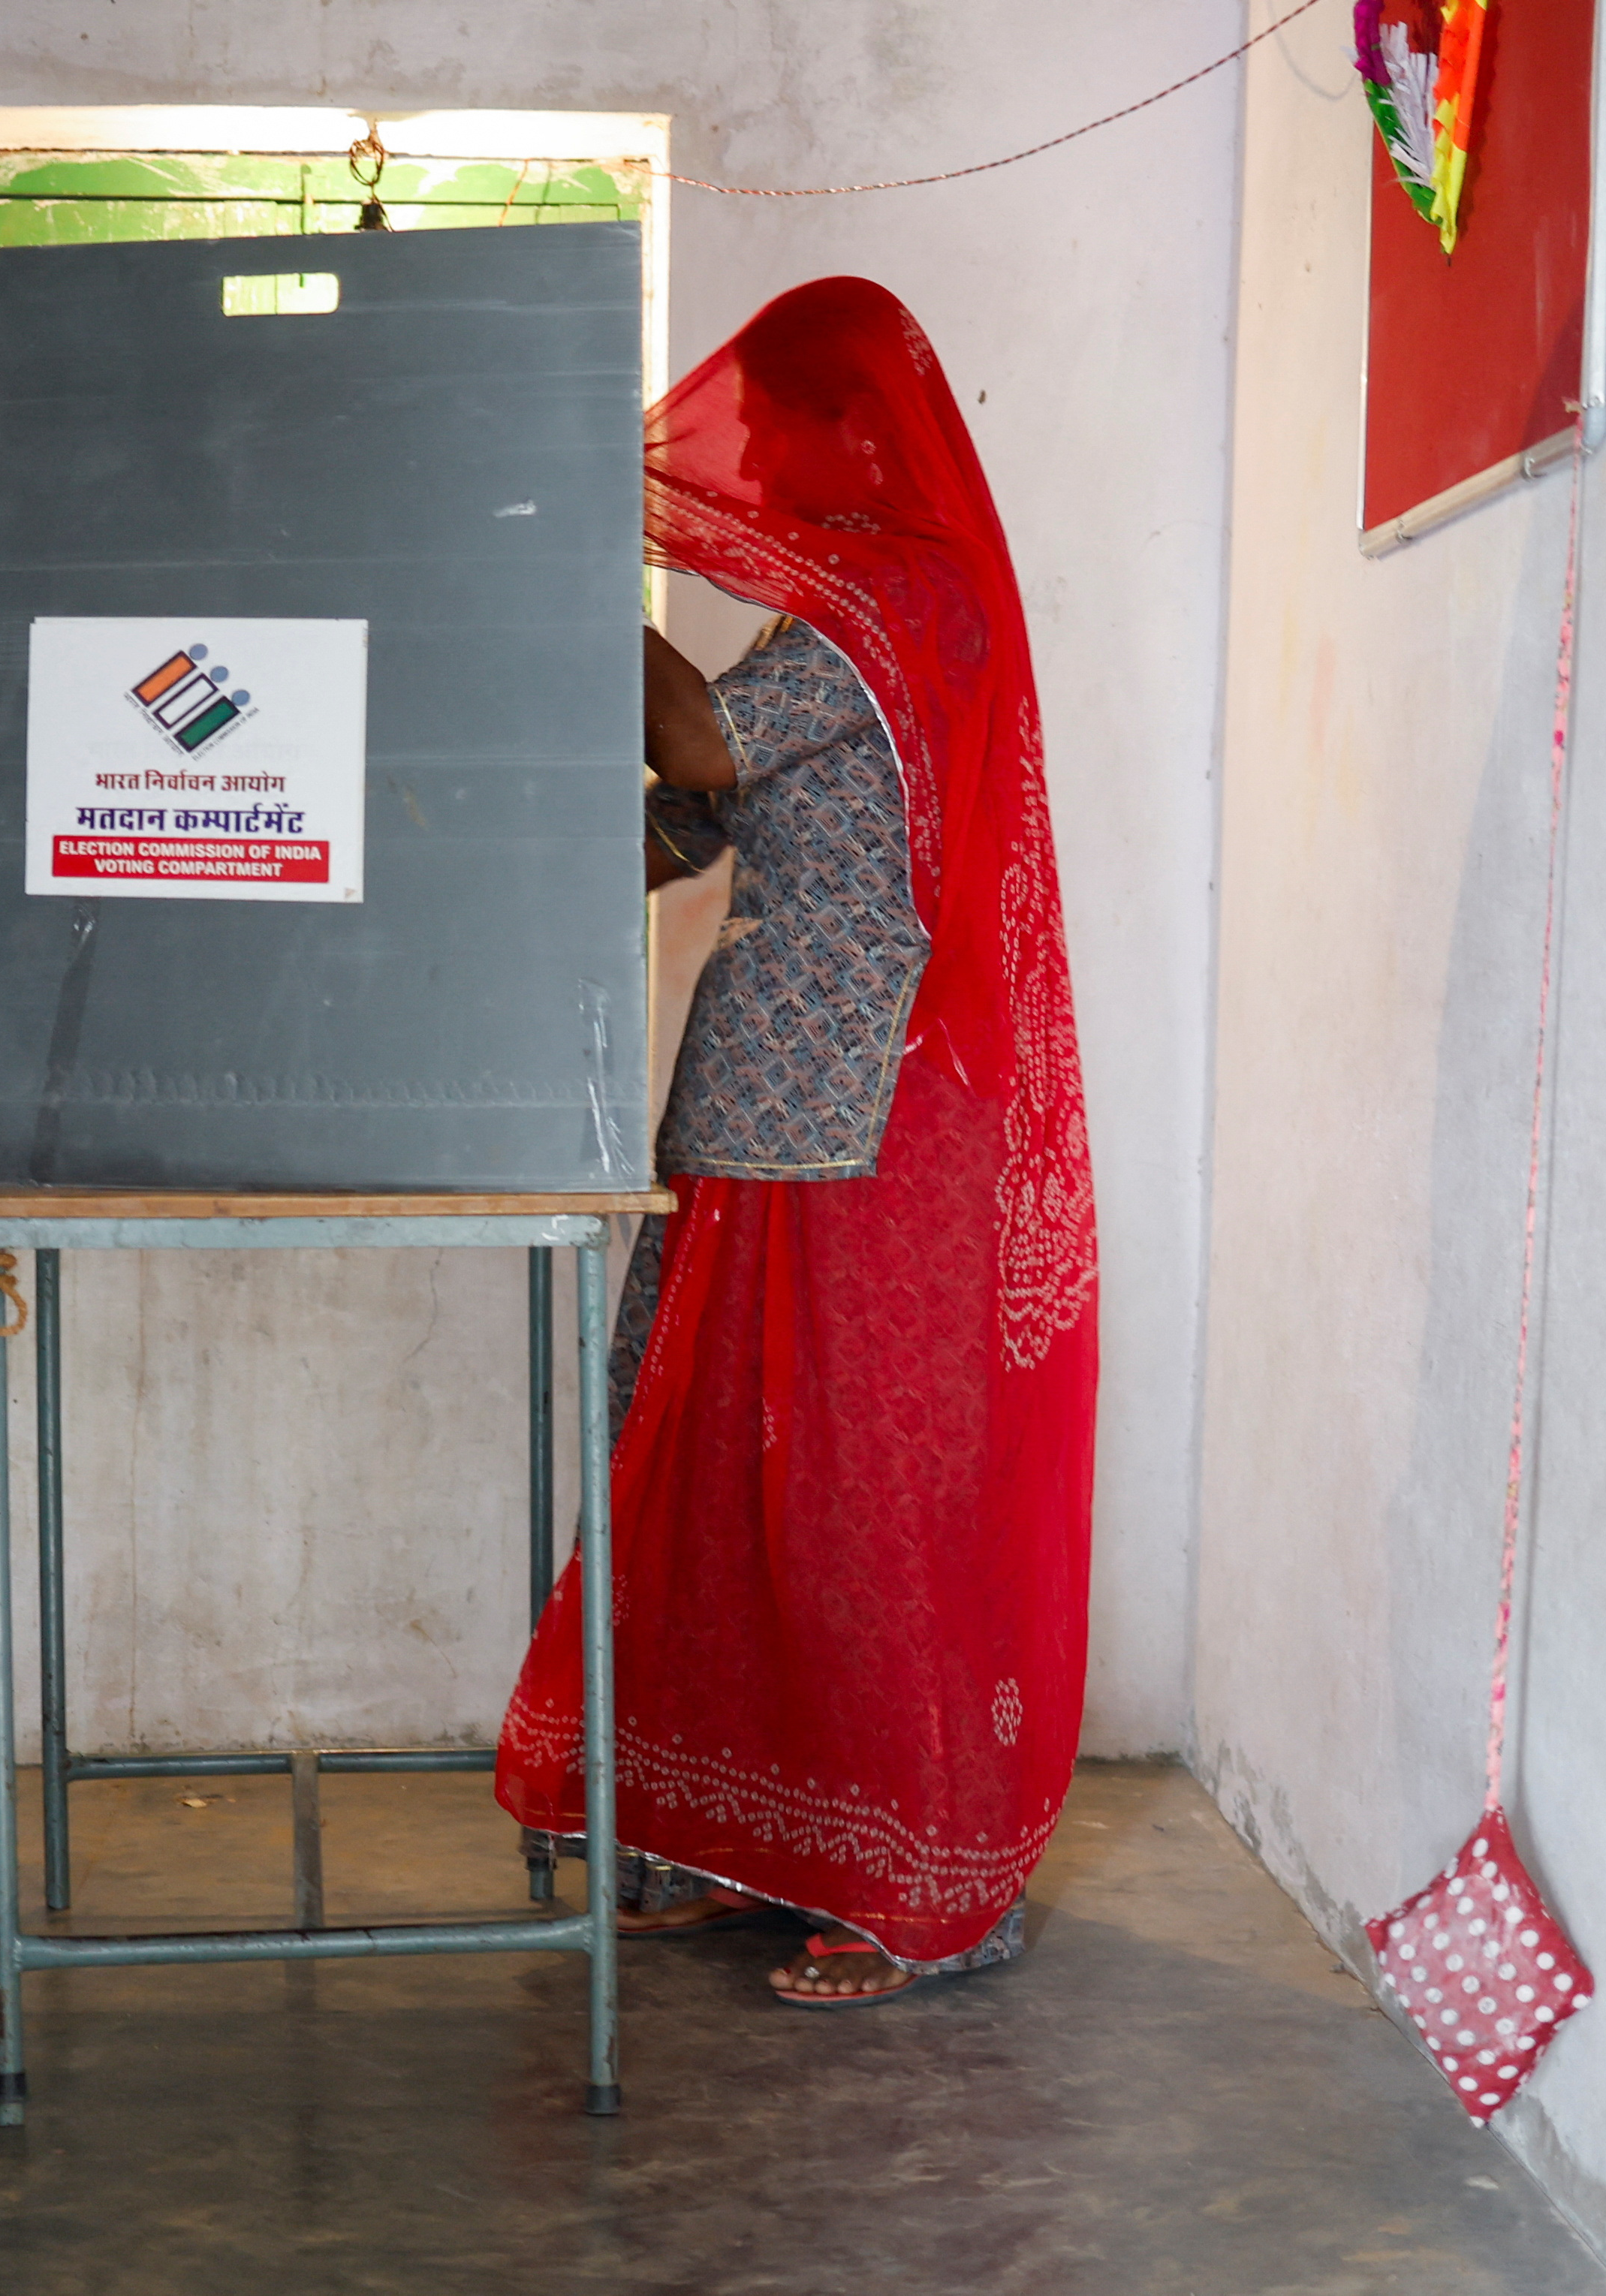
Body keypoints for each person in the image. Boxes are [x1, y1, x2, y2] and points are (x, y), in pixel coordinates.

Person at [495, 278, 1101, 2005]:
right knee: (722, 1485)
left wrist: (569, 567)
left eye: (769, 425)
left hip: (881, 1116)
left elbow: (691, 740)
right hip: (765, 1097)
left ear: (850, 430)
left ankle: (921, 1885)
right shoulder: (816, 624)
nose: (745, 457)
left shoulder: (905, 598)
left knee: (856, 1498)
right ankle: (760, 1845)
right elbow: (686, 818)